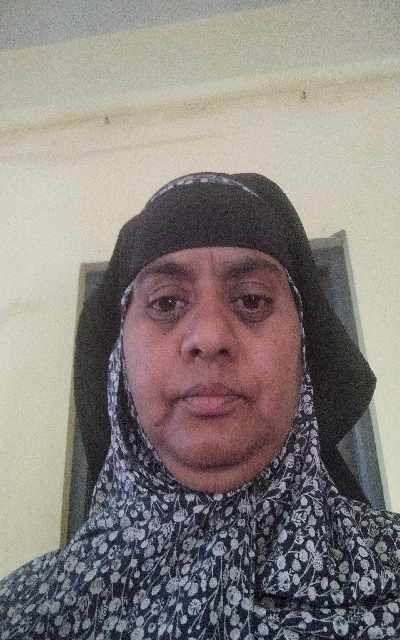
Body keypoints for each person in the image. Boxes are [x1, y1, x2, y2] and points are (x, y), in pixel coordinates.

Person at [1, 172, 399, 639]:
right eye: (166, 302)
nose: (209, 337)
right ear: (119, 361)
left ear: (303, 348)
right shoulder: (25, 615)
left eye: (252, 299)